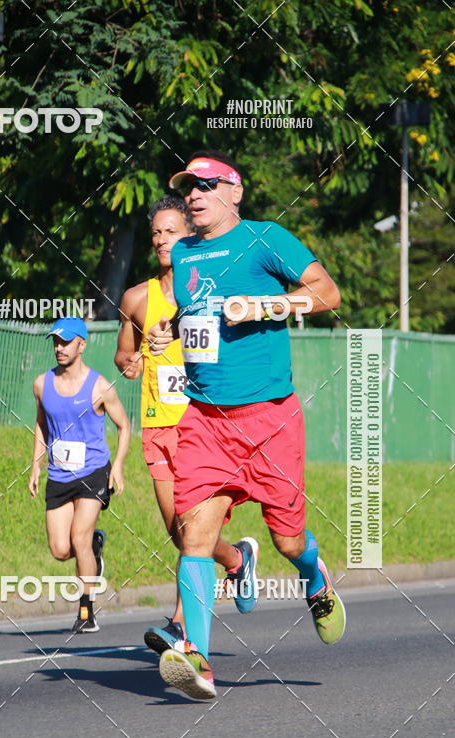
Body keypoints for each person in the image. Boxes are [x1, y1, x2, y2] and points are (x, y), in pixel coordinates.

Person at [148, 150, 346, 701]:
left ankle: (314, 577)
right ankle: (198, 660)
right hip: (205, 420)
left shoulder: (265, 238)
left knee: (286, 538)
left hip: (269, 420)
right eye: (188, 187)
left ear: (235, 191)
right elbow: (193, 313)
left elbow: (328, 293)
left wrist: (263, 306)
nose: (194, 194)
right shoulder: (183, 254)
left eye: (206, 185)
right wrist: (167, 330)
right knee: (195, 535)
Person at [115, 195, 260, 654]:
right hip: (158, 427)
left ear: (190, 236)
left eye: (171, 231)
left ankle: (180, 627)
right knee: (178, 532)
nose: (162, 240)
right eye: (156, 232)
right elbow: (122, 353)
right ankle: (237, 559)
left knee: (192, 533)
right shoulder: (137, 298)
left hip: (205, 425)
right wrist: (130, 363)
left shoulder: (212, 289)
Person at [29, 316, 131, 633]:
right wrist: (35, 463)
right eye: (56, 342)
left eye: (66, 342)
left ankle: (85, 611)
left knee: (79, 538)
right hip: (59, 474)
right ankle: (94, 550)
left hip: (93, 471)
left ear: (81, 345)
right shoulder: (42, 384)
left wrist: (118, 465)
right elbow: (41, 425)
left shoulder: (99, 386)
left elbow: (125, 426)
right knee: (61, 550)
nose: (59, 348)